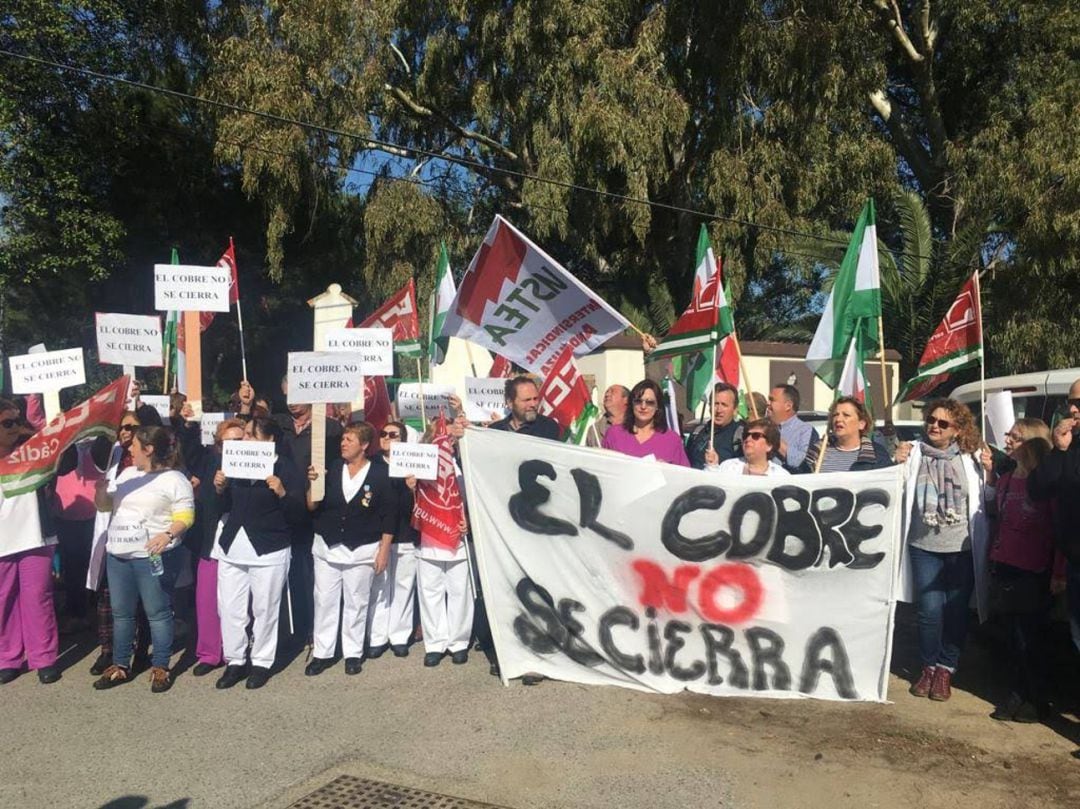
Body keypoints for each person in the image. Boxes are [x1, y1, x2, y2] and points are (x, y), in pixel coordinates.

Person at [896, 398, 990, 702]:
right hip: (923, 546)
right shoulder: (913, 453)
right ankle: (928, 665)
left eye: (943, 423)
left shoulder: (973, 457)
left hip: (961, 548)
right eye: (931, 421)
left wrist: (991, 471)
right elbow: (897, 488)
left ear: (958, 430)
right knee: (929, 610)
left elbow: (988, 498)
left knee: (956, 611)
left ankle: (946, 667)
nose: (934, 426)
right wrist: (897, 462)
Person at [92, 425, 194, 693]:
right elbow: (105, 506)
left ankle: (161, 666)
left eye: (134, 445)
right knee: (122, 613)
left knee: (157, 613)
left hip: (152, 556)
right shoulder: (126, 474)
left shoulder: (174, 479)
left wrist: (168, 534)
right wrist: (101, 491)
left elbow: (185, 515)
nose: (129, 449)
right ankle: (120, 665)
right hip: (119, 555)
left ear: (148, 449)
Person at [211, 416, 305, 690]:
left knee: (264, 608)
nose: (245, 439)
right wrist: (220, 488)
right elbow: (220, 506)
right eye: (245, 435)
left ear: (270, 440)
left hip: (268, 547)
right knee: (230, 607)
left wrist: (282, 492)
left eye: (252, 434)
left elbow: (297, 514)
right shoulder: (232, 465)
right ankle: (236, 660)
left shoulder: (285, 468)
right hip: (233, 546)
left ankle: (261, 661)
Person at [304, 422, 395, 676]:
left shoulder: (378, 474)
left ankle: (353, 653)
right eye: (343, 439)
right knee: (324, 601)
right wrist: (312, 483)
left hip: (362, 549)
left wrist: (384, 550)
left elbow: (389, 515)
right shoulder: (332, 468)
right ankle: (323, 653)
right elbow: (312, 506)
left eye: (349, 439)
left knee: (357, 601)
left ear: (364, 445)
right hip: (328, 546)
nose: (343, 443)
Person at [986, 422, 1057, 722]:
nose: (1008, 441)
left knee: (1031, 638)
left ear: (1032, 444)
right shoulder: (1005, 480)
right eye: (1009, 436)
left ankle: (1037, 698)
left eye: (1016, 437)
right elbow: (995, 516)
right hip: (1005, 564)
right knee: (1012, 636)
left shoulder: (1047, 484)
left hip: (1034, 568)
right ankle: (1017, 692)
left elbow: (1058, 528)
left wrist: (1059, 572)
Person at [175, 411, 246, 677]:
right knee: (206, 597)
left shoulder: (256, 466)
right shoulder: (211, 463)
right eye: (227, 442)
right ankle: (208, 652)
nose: (233, 447)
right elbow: (190, 453)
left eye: (240, 440)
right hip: (211, 540)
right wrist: (188, 425)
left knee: (234, 602)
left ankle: (235, 651)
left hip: (244, 542)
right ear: (218, 445)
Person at [274, 376, 343, 650]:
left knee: (315, 574)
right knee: (291, 571)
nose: (292, 402)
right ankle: (295, 628)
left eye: (297, 395)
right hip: (284, 504)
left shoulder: (329, 428)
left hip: (316, 507)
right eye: (287, 395)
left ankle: (319, 629)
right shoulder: (279, 425)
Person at [0, 398, 61, 685]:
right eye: (7, 422)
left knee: (38, 597)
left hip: (35, 536)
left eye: (16, 421)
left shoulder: (32, 449)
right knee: (3, 601)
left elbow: (67, 460)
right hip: (2, 541)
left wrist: (48, 427)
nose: (14, 428)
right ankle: (8, 658)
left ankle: (44, 657)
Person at [410, 421, 473, 668]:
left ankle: (458, 643)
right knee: (431, 592)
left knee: (459, 592)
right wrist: (410, 488)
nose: (446, 440)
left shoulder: (463, 463)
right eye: (441, 435)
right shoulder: (420, 465)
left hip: (457, 537)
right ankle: (435, 643)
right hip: (429, 536)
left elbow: (474, 499)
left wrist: (469, 522)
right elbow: (409, 503)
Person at [1028, 378, 1080, 654]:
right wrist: (1058, 452)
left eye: (1079, 403)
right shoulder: (1069, 446)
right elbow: (1037, 490)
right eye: (1070, 402)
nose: (1073, 410)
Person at [366, 421, 419, 658]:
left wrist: (412, 489)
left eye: (393, 434)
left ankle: (399, 635)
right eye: (383, 433)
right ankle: (377, 636)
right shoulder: (372, 464)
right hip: (378, 535)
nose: (386, 437)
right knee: (379, 587)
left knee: (403, 585)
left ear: (403, 439)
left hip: (406, 533)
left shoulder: (413, 464)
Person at [601, 379, 690, 466]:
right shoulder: (614, 434)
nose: (643, 406)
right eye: (638, 401)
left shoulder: (672, 440)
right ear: (632, 404)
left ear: (657, 406)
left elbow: (685, 477)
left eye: (650, 402)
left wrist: (666, 470)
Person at [800, 397, 893, 473]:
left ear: (861, 424)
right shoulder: (816, 452)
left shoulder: (877, 455)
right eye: (835, 415)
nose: (838, 419)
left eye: (846, 415)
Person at [686, 383, 744, 469]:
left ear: (735, 410)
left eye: (724, 405)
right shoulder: (697, 432)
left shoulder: (741, 437)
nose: (719, 410)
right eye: (716, 404)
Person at [705, 418, 788, 477]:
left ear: (769, 446)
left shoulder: (781, 476)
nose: (748, 439)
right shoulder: (728, 467)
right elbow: (710, 489)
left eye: (756, 436)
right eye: (745, 435)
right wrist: (712, 466)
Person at [767, 384, 819, 473]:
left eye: (772, 400)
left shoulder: (806, 431)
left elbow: (804, 464)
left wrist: (775, 438)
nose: (768, 403)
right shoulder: (761, 427)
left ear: (788, 406)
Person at [489, 376, 561, 440]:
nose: (533, 404)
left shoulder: (547, 427)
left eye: (535, 399)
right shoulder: (495, 430)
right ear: (510, 403)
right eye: (527, 400)